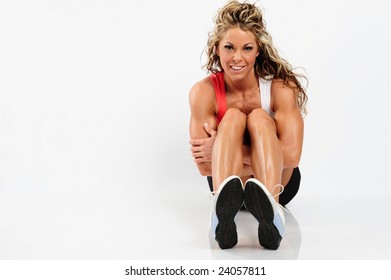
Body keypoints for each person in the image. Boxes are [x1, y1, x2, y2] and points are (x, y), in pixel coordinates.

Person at [188, 0, 308, 250]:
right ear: (217, 49)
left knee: (259, 118)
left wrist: (220, 150)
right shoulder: (204, 92)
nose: (237, 57)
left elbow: (293, 156)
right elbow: (203, 167)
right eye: (229, 47)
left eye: (247, 48)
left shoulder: (280, 88)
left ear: (258, 51)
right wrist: (227, 151)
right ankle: (223, 220)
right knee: (232, 117)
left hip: (279, 185)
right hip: (226, 186)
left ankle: (271, 215)